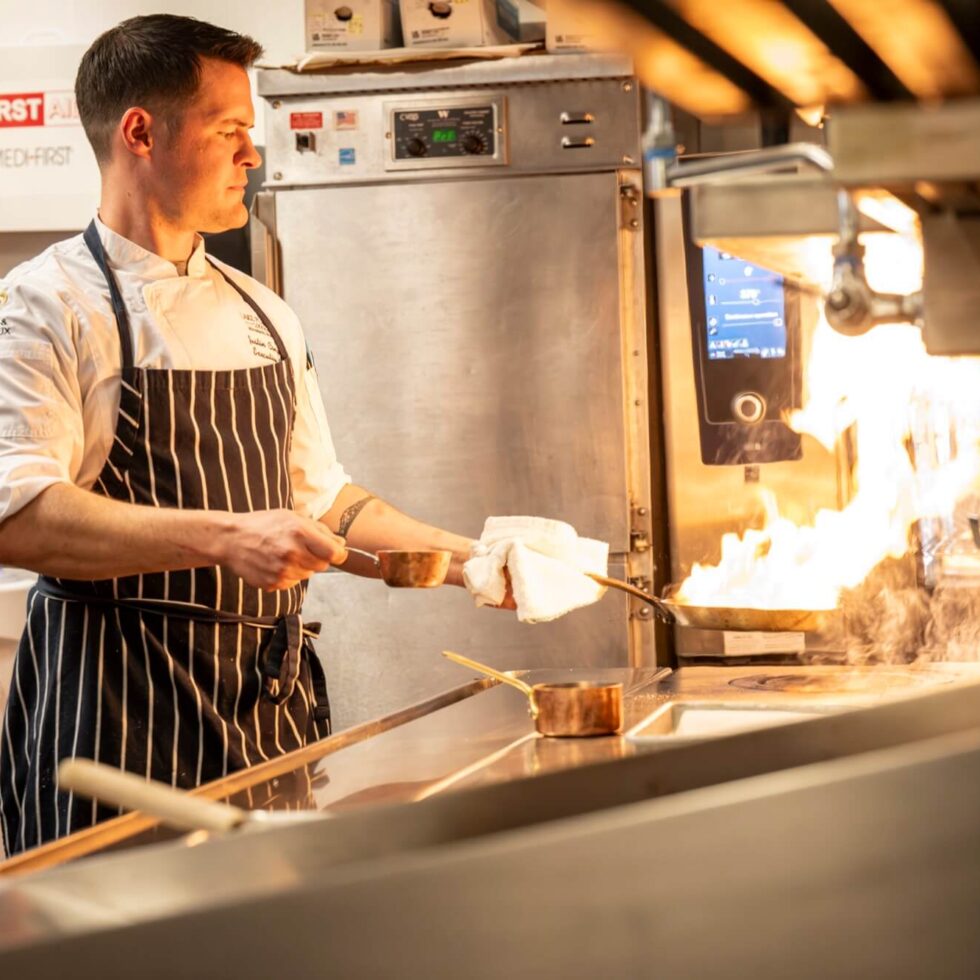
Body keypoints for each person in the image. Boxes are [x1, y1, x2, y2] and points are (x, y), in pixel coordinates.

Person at [0, 14, 502, 858]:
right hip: (116, 717)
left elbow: (324, 501)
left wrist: (476, 559)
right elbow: (19, 518)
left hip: (262, 710)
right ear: (141, 133)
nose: (252, 155)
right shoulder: (45, 305)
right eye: (230, 129)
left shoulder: (262, 310)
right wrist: (229, 537)